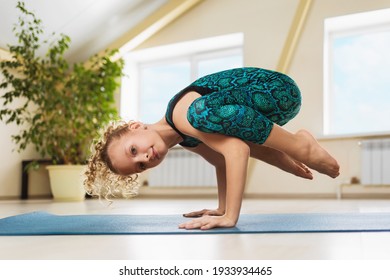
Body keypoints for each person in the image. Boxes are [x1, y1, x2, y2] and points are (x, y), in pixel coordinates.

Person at [84, 67, 340, 230]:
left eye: (133, 150)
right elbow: (222, 160)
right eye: (140, 165)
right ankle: (295, 146)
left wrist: (230, 217)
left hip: (274, 89)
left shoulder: (181, 114)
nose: (145, 157)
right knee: (216, 133)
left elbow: (238, 151)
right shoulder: (186, 138)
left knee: (201, 114)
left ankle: (299, 145)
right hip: (265, 108)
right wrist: (221, 208)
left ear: (136, 127)